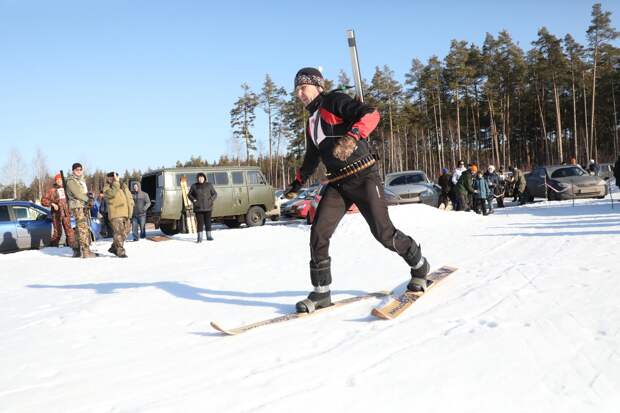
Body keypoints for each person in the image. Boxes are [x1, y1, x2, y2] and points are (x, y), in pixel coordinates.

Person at [284, 67, 430, 313]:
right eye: (297, 89)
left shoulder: (334, 101)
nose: (300, 93)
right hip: (337, 184)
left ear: (318, 86)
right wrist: (296, 185)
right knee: (319, 233)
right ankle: (321, 292)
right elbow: (311, 158)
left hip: (363, 176)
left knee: (383, 233)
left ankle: (419, 265)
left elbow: (372, 115)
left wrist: (351, 138)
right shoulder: (311, 122)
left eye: (303, 87)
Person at [65, 162, 96, 258]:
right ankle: (86, 252)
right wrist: (88, 200)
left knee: (80, 229)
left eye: (80, 169)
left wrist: (89, 196)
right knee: (82, 228)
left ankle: (77, 249)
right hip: (77, 206)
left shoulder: (81, 180)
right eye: (77, 170)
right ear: (73, 171)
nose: (79, 171)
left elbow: (83, 193)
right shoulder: (71, 181)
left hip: (82, 205)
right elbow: (78, 194)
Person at [103, 172, 134, 258]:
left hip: (126, 213)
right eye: (112, 177)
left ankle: (114, 247)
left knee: (126, 232)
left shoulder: (123, 186)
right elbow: (111, 194)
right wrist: (116, 183)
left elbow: (129, 199)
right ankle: (120, 251)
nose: (115, 178)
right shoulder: (107, 187)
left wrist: (130, 211)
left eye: (116, 176)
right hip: (116, 213)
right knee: (119, 233)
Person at [40, 173, 76, 248]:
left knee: (69, 232)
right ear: (55, 181)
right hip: (56, 214)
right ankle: (53, 248)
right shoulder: (52, 191)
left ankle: (72, 248)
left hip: (66, 214)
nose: (59, 181)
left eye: (60, 180)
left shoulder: (67, 190)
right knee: (57, 233)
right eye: (58, 180)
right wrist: (52, 204)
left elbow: (72, 199)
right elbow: (43, 200)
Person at [188, 172, 218, 243]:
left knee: (208, 222)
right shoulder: (194, 186)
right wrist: (194, 200)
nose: (200, 179)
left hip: (208, 207)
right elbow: (189, 195)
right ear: (197, 178)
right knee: (200, 223)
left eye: (202, 177)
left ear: (204, 178)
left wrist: (211, 200)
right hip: (198, 208)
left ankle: (209, 236)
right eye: (199, 177)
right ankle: (199, 238)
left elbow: (215, 194)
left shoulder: (209, 185)